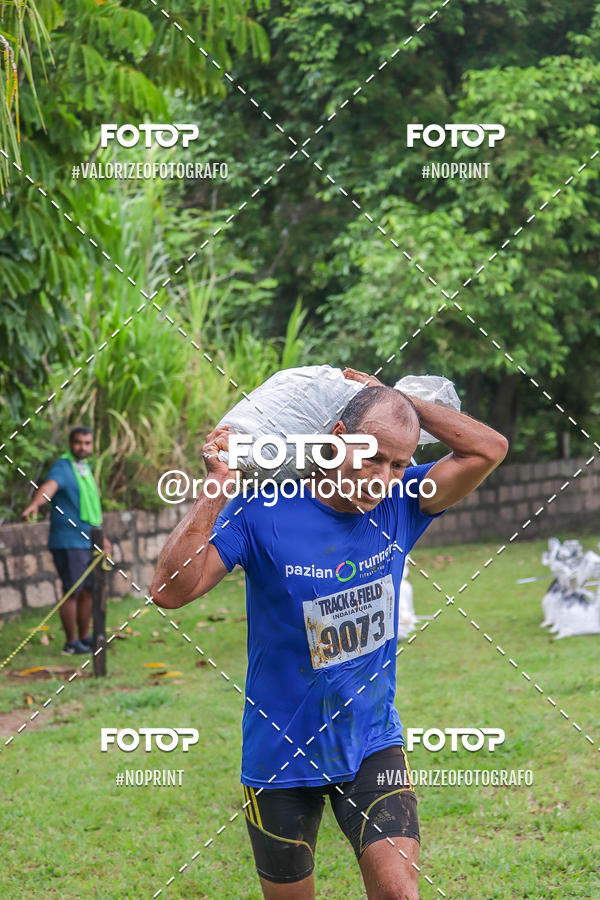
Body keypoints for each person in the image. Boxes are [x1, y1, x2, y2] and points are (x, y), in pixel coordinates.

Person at [151, 369, 508, 900]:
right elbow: (169, 591)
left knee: (399, 894)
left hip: (370, 743)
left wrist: (395, 398)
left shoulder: (403, 502)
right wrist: (216, 491)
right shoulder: (263, 510)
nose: (383, 477)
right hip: (279, 755)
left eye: (399, 463)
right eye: (372, 457)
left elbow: (488, 449)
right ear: (338, 435)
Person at [22, 425, 109, 655]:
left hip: (89, 538)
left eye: (87, 443)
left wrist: (102, 537)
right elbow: (49, 487)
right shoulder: (63, 466)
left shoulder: (85, 468)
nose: (83, 447)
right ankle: (70, 644)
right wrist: (34, 504)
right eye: (78, 442)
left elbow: (93, 506)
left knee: (89, 589)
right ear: (71, 444)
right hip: (68, 541)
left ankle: (83, 638)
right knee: (73, 591)